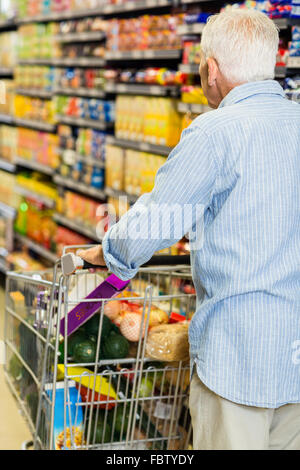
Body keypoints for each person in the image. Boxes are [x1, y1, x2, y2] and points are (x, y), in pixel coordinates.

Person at [77, 9, 300, 450]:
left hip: (238, 359)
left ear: (210, 69)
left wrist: (110, 251)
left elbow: (159, 217)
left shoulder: (214, 132)